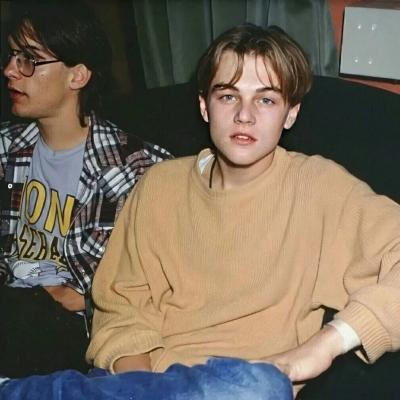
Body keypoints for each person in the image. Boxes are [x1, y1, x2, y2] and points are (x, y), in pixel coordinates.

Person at [1, 23, 400, 400]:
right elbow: (120, 306)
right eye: (228, 96)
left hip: (240, 387)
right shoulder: (160, 184)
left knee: (259, 387)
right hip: (137, 381)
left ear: (291, 113)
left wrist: (322, 347)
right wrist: (142, 387)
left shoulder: (318, 187)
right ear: (204, 106)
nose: (245, 115)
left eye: (265, 99)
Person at [0, 0, 171, 378]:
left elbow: (165, 281)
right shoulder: (8, 149)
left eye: (29, 59)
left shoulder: (136, 169)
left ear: (77, 75)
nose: (10, 70)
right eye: (11, 56)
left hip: (73, 331)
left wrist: (83, 298)